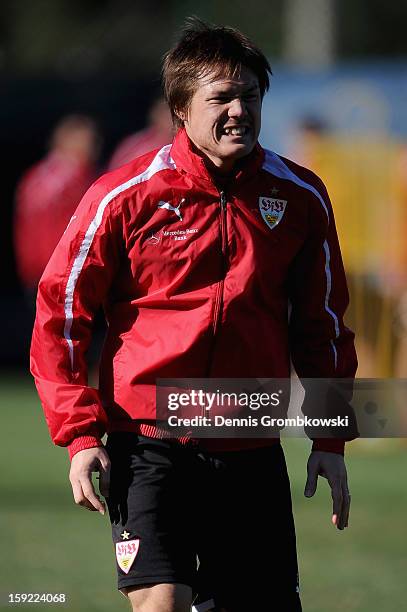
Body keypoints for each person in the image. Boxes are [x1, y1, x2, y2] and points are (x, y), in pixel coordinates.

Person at [30, 18, 357, 612]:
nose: (239, 110)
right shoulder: (125, 195)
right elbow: (62, 311)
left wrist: (331, 437)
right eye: (221, 97)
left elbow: (324, 325)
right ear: (181, 108)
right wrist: (79, 433)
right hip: (149, 442)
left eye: (250, 96)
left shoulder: (302, 197)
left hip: (250, 445)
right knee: (162, 603)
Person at [14, 115, 100, 306]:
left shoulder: (37, 174)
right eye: (86, 140)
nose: (92, 147)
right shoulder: (73, 179)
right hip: (63, 272)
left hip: (38, 271)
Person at [108, 97, 173, 171]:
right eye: (166, 114)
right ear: (155, 115)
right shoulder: (140, 146)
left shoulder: (179, 144)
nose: (171, 120)